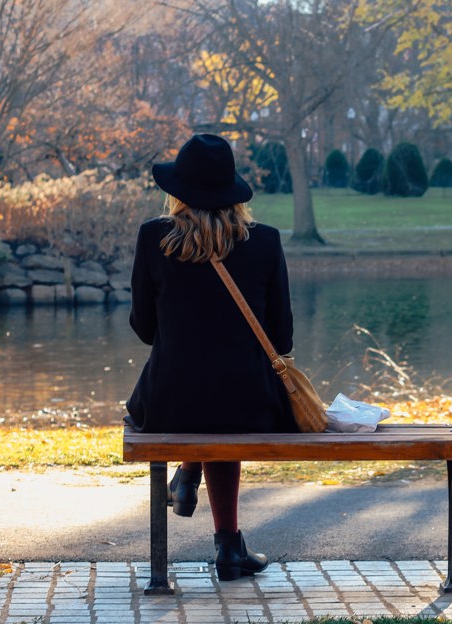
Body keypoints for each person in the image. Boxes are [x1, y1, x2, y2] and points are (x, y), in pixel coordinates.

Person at [125, 134, 296, 582]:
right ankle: (228, 548)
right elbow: (282, 337)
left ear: (177, 190)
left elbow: (144, 329)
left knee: (204, 399)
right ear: (231, 190)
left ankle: (188, 473)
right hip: (251, 404)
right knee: (225, 402)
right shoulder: (266, 241)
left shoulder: (153, 238)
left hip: (168, 401)